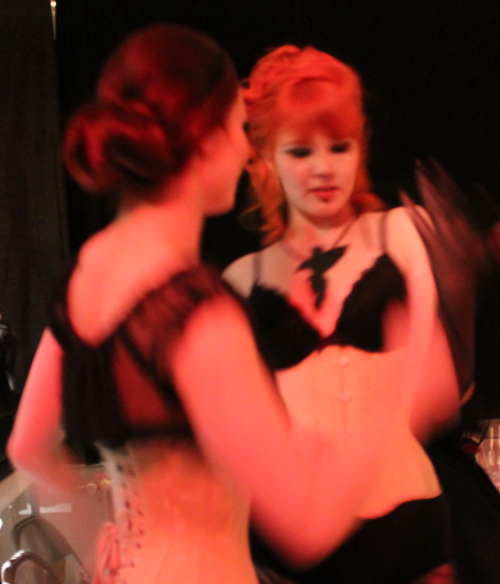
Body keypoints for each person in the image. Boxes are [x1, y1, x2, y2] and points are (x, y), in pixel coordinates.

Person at [6, 25, 408, 584]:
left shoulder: (86, 277)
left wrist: (97, 535)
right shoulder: (193, 312)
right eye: (238, 128)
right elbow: (307, 527)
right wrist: (402, 396)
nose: (246, 150)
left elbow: (29, 448)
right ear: (205, 138)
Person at [224, 45, 464, 583]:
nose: (324, 168)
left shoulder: (402, 233)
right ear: (265, 159)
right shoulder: (241, 280)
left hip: (407, 527)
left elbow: (434, 390)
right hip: (297, 550)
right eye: (300, 151)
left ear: (361, 148)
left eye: (340, 146)